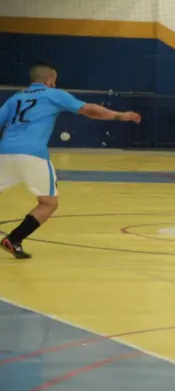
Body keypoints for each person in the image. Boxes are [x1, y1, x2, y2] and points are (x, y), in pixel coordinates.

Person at [0, 63, 141, 259]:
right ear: (49, 80)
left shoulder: (15, 98)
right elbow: (89, 109)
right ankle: (14, 239)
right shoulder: (53, 94)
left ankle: (13, 240)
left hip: (4, 153)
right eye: (54, 80)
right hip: (33, 154)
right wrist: (120, 115)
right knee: (48, 203)